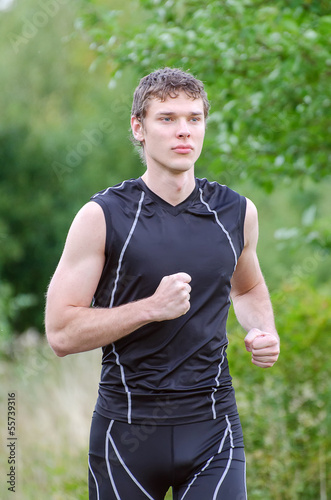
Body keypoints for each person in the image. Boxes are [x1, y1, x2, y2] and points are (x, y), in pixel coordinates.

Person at [45, 67, 280, 500]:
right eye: (167, 119)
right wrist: (150, 308)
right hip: (126, 435)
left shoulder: (235, 212)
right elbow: (61, 333)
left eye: (194, 119)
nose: (183, 131)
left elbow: (246, 288)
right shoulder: (103, 216)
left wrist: (262, 330)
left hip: (213, 429)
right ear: (139, 127)